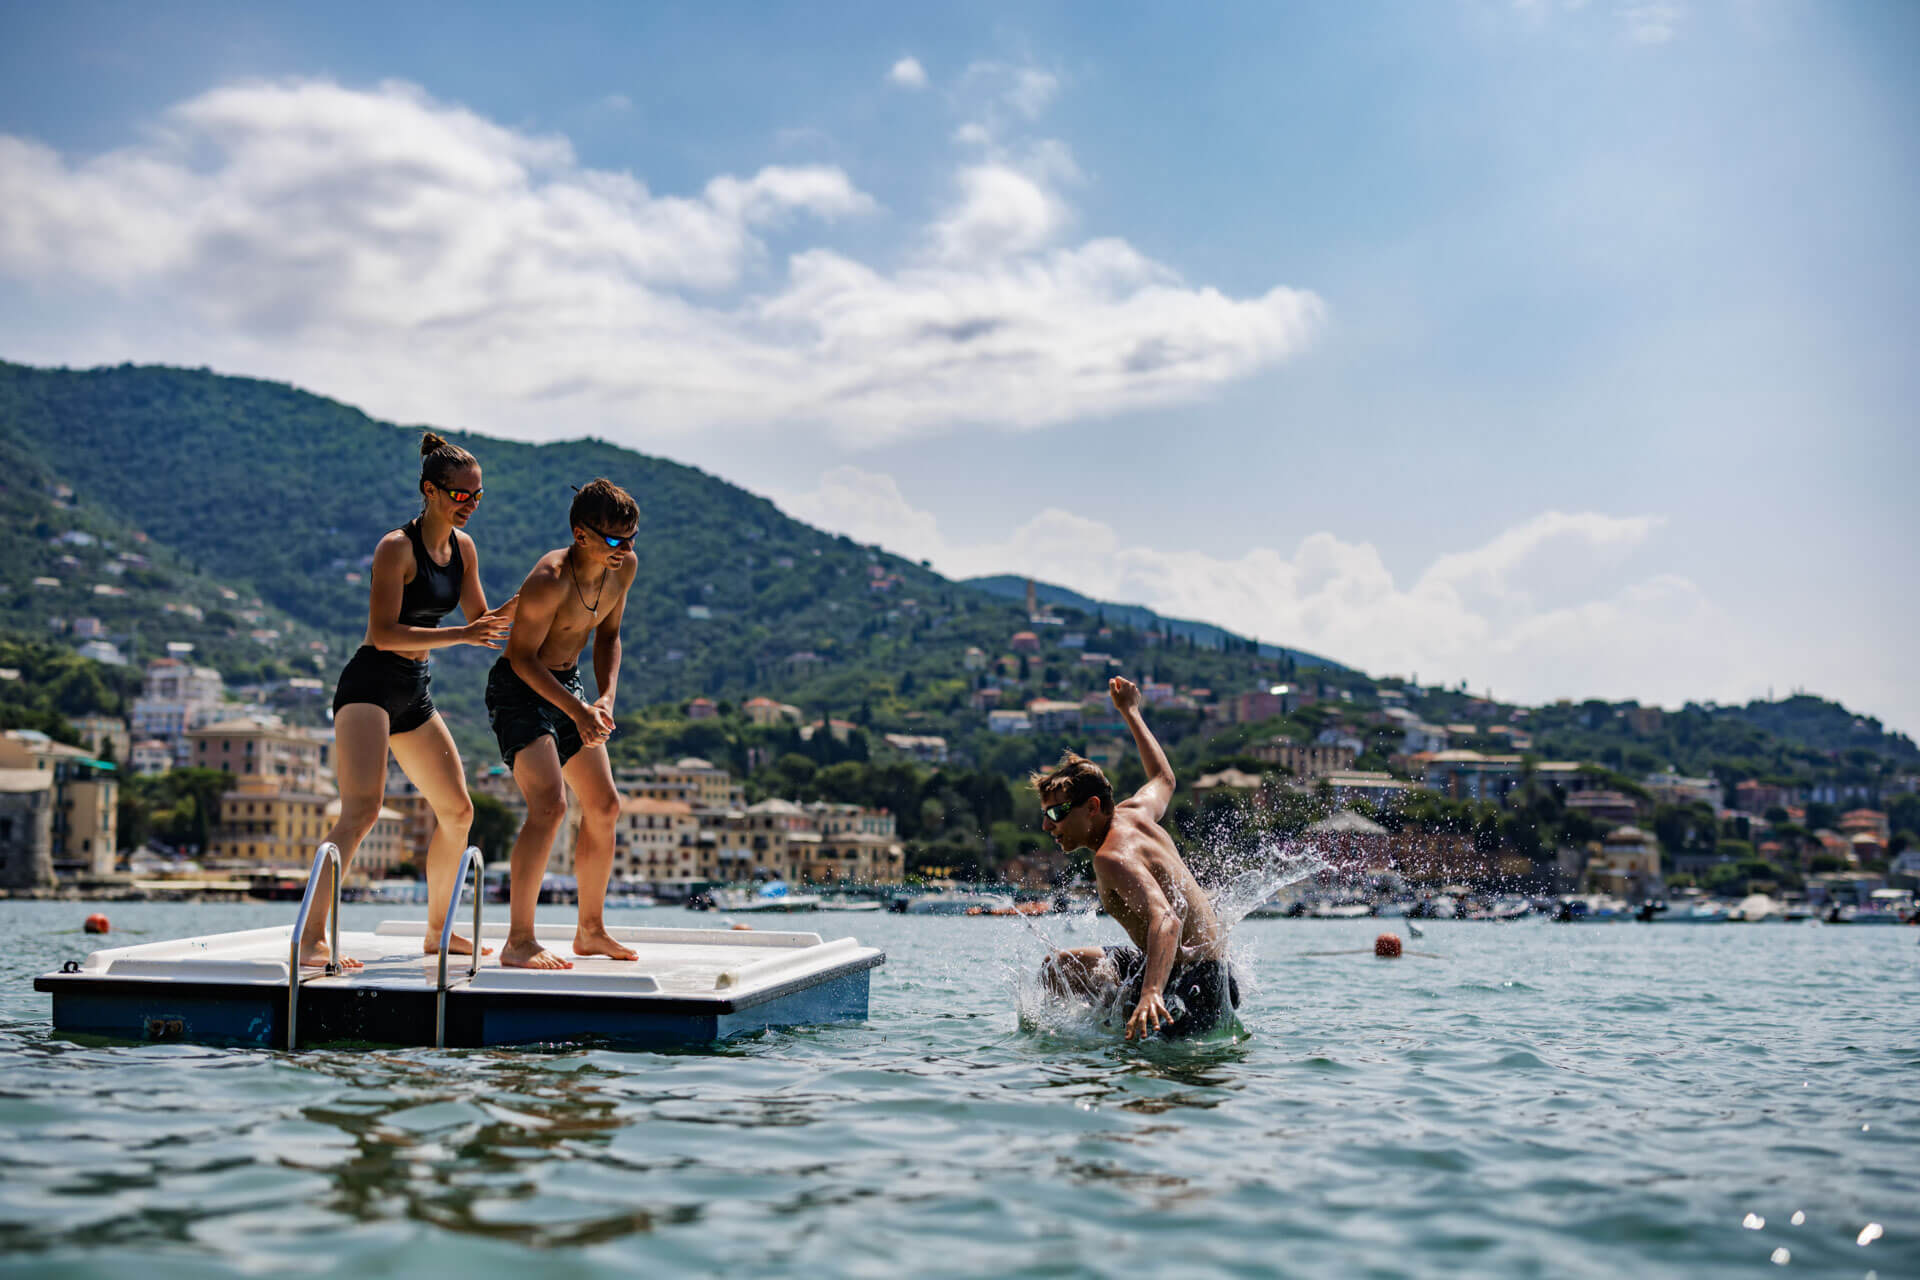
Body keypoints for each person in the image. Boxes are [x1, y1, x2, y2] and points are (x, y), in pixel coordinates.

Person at [302, 432, 517, 969]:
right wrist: (460, 638)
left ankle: (440, 930)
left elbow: (483, 623)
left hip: (415, 693)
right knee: (362, 810)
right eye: (460, 495)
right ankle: (310, 939)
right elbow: (383, 633)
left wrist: (544, 588)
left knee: (459, 810)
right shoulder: (396, 547)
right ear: (430, 490)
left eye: (477, 495)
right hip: (369, 687)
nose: (469, 504)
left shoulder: (463, 550)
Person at [485, 478, 642, 969]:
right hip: (520, 689)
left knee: (605, 805)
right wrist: (578, 712)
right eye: (613, 540)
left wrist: (606, 698)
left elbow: (608, 636)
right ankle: (519, 940)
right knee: (551, 806)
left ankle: (590, 931)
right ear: (581, 535)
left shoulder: (624, 569)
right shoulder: (548, 580)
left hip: (570, 687)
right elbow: (521, 659)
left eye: (631, 538)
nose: (624, 550)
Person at [1036, 676, 1239, 1039]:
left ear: (1092, 807)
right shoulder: (1135, 812)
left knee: (1142, 1085)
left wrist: (1151, 993)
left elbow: (1168, 920)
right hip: (1194, 969)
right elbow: (1164, 777)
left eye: (1055, 814)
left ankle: (1131, 1015)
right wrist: (1130, 711)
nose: (1048, 826)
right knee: (1060, 969)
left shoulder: (1112, 857)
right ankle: (1112, 1019)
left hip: (1191, 986)